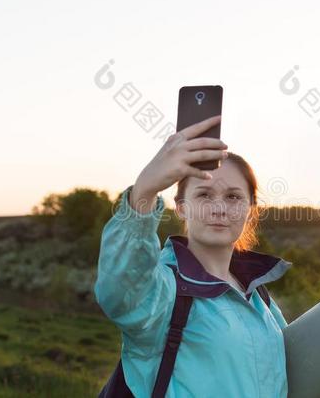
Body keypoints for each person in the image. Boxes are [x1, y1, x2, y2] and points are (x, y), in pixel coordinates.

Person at [94, 115, 293, 397]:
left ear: (251, 209)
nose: (219, 208)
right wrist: (145, 191)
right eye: (204, 195)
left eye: (234, 197)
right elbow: (120, 291)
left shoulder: (258, 296)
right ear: (181, 207)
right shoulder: (165, 289)